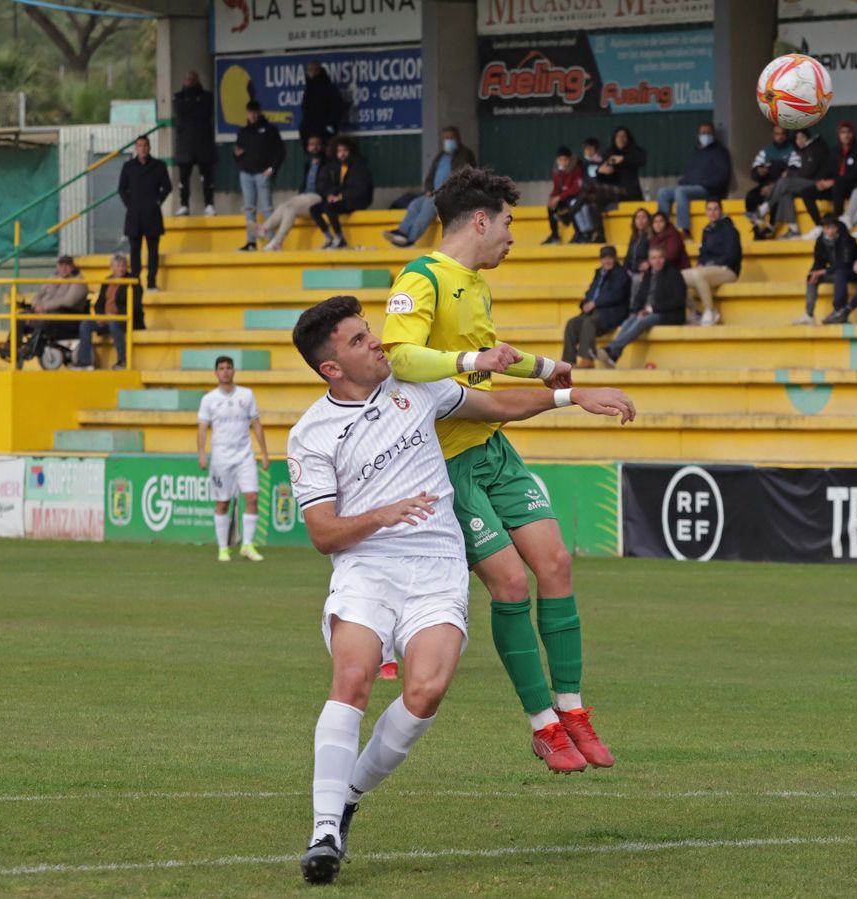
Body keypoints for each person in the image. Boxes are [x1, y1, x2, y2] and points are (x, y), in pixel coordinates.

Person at [286, 296, 635, 884]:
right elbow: (324, 534)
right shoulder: (311, 434)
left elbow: (495, 403)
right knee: (353, 678)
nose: (376, 341)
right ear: (331, 369)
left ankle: (346, 793)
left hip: (437, 568)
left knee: (425, 693)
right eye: (357, 340)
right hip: (366, 568)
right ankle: (324, 832)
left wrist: (570, 397)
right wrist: (382, 514)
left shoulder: (414, 385)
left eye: (368, 331)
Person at [381, 167, 618, 774]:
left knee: (557, 563)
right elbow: (401, 356)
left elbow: (488, 358)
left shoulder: (476, 285)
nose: (514, 236)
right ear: (480, 220)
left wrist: (543, 367)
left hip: (492, 447)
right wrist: (471, 358)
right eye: (509, 223)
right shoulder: (421, 277)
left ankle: (573, 711)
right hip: (446, 462)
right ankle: (542, 725)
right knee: (510, 584)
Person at [198, 355, 269, 563]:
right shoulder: (209, 399)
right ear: (216, 372)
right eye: (221, 368)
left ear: (233, 371)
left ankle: (247, 545)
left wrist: (264, 453)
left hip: (245, 456)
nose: (225, 371)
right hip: (221, 459)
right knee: (222, 503)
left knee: (252, 498)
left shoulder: (246, 395)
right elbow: (202, 428)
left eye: (228, 367)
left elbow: (256, 424)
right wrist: (202, 454)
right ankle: (223, 548)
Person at [385, 127, 476, 248]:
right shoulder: (441, 156)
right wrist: (428, 190)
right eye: (446, 138)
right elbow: (430, 176)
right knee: (415, 204)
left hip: (451, 195)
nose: (448, 141)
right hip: (434, 193)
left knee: (429, 205)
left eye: (451, 138)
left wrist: (443, 192)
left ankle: (410, 240)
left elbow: (461, 177)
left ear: (458, 138)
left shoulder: (464, 154)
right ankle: (402, 232)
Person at [600, 245, 686, 367]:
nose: (657, 261)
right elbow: (640, 296)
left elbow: (678, 301)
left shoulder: (674, 274)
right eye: (654, 258)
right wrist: (638, 310)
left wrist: (651, 309)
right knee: (629, 321)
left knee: (642, 321)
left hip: (670, 314)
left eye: (660, 257)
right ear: (649, 260)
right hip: (649, 311)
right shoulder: (648, 273)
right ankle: (614, 356)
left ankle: (610, 349)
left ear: (665, 258)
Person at [0, 255, 87, 365]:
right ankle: (10, 348)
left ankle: (30, 349)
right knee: (20, 317)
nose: (63, 268)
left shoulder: (79, 281)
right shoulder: (52, 279)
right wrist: (37, 306)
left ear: (72, 267)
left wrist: (44, 307)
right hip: (47, 312)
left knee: (46, 319)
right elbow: (38, 295)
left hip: (67, 317)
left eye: (67, 266)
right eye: (61, 265)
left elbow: (68, 301)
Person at [657, 123, 731, 238]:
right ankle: (663, 228)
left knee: (680, 192)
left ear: (713, 134)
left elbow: (723, 176)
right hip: (690, 187)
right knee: (663, 192)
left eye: (708, 133)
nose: (705, 135)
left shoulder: (720, 152)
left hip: (707, 189)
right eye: (702, 133)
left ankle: (684, 229)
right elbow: (689, 174)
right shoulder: (696, 152)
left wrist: (705, 184)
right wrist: (683, 181)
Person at [563, 245, 632, 367]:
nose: (607, 261)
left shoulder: (621, 274)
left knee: (589, 322)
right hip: (595, 312)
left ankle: (588, 359)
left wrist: (595, 303)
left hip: (611, 313)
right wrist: (584, 304)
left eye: (610, 258)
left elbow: (617, 295)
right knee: (572, 323)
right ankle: (568, 361)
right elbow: (590, 293)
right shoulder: (599, 273)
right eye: (604, 258)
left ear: (615, 259)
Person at [575, 127, 647, 244]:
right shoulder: (609, 153)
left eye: (624, 136)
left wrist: (623, 159)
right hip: (612, 193)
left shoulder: (634, 151)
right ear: (614, 138)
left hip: (629, 192)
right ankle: (600, 235)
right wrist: (600, 171)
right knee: (592, 200)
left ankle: (571, 213)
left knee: (590, 187)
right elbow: (602, 178)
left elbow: (642, 160)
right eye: (618, 136)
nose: (621, 139)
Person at [754, 127, 828, 240]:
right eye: (797, 138)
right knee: (785, 193)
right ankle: (794, 230)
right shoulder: (799, 151)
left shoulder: (813, 149)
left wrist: (790, 174)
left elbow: (807, 173)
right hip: (801, 184)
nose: (800, 140)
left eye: (802, 137)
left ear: (808, 138)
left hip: (816, 184)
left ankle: (764, 209)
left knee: (784, 182)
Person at [118, 135, 170, 291]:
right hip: (134, 216)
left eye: (145, 145)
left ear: (149, 147)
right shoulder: (128, 166)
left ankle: (151, 282)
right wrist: (130, 205)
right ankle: (135, 283)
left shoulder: (159, 165)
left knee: (153, 251)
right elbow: (121, 189)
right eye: (140, 145)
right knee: (135, 251)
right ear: (136, 148)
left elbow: (167, 187)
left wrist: (157, 201)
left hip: (152, 215)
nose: (142, 148)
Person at [262, 133, 328, 252]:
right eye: (311, 145)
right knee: (284, 205)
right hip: (305, 196)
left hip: (318, 196)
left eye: (317, 144)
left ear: (323, 146)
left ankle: (277, 240)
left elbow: (327, 184)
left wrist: (271, 169)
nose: (314, 147)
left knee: (286, 207)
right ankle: (264, 229)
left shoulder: (328, 163)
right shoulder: (308, 163)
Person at [682, 198, 741, 326]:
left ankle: (710, 310)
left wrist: (711, 264)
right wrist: (701, 264)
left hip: (728, 270)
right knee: (678, 276)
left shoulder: (730, 229)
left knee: (699, 274)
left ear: (721, 211)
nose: (712, 212)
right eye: (709, 209)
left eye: (715, 209)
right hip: (709, 269)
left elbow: (731, 255)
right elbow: (702, 253)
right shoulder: (706, 230)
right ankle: (695, 311)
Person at [235, 101, 285, 252]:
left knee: (266, 208)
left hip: (262, 173)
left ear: (260, 112)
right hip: (246, 174)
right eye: (250, 112)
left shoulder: (270, 130)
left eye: (255, 112)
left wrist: (272, 169)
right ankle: (251, 243)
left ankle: (272, 241)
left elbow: (280, 152)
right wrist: (239, 158)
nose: (253, 115)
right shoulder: (243, 132)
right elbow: (237, 152)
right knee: (249, 209)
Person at [309, 137, 374, 250]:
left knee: (330, 208)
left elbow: (360, 190)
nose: (342, 154)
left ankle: (340, 239)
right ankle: (329, 238)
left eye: (345, 150)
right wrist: (329, 195)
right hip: (341, 200)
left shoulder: (358, 166)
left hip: (356, 201)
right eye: (339, 151)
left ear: (350, 151)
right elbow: (323, 184)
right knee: (314, 209)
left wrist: (340, 197)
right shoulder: (333, 167)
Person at [74, 254, 133, 370]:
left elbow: (133, 306)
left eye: (123, 266)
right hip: (106, 318)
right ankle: (85, 361)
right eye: (118, 266)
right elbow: (99, 303)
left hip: (123, 318)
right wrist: (100, 316)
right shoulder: (107, 282)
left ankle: (122, 360)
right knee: (85, 324)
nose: (121, 268)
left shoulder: (132, 282)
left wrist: (114, 316)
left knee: (113, 323)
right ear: (112, 268)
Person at [796, 215, 857, 326]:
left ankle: (838, 310)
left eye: (832, 227)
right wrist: (814, 272)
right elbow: (818, 261)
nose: (830, 231)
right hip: (834, 272)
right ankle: (809, 314)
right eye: (827, 228)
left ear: (837, 228)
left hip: (853, 271)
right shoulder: (821, 241)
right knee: (811, 277)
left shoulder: (847, 239)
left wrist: (823, 272)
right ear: (823, 229)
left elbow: (845, 263)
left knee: (840, 273)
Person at [172, 71, 217, 216]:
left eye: (192, 79)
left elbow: (204, 112)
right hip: (185, 144)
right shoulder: (178, 97)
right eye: (187, 78)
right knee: (184, 177)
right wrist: (193, 104)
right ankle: (184, 205)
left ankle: (209, 204)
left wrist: (192, 105)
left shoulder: (207, 96)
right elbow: (182, 112)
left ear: (197, 80)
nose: (189, 81)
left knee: (207, 176)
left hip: (203, 142)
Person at [816, 121, 857, 233]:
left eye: (848, 132)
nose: (846, 135)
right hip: (837, 186)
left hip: (855, 186)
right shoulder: (835, 151)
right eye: (843, 132)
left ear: (853, 134)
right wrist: (821, 180)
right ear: (839, 134)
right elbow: (827, 169)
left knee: (837, 185)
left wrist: (833, 181)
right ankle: (819, 224)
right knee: (807, 191)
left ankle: (837, 220)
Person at [743, 125, 792, 217]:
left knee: (776, 197)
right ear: (773, 135)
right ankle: (756, 223)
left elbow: (795, 172)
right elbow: (754, 172)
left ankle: (770, 226)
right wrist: (759, 172)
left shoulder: (792, 150)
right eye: (777, 134)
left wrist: (773, 186)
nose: (780, 137)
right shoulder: (766, 151)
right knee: (751, 197)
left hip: (784, 187)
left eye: (782, 134)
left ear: (786, 135)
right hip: (766, 186)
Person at [299, 61, 346, 149]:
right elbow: (306, 113)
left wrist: (330, 127)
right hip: (311, 135)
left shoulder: (329, 89)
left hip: (325, 135)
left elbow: (337, 109)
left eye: (314, 70)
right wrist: (303, 130)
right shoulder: (308, 91)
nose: (311, 72)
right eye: (309, 70)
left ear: (319, 71)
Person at [544, 146, 584, 245]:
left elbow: (575, 189)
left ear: (570, 160)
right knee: (550, 207)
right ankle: (555, 235)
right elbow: (557, 188)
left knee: (573, 204)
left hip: (576, 197)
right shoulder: (556, 172)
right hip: (563, 198)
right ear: (557, 160)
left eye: (565, 159)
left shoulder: (577, 170)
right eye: (560, 159)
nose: (563, 162)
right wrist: (552, 198)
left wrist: (559, 197)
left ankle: (579, 233)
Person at [621, 207, 653, 277]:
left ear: (649, 220)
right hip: (630, 272)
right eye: (637, 217)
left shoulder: (651, 237)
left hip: (643, 273)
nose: (640, 220)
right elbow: (628, 257)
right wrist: (626, 269)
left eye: (643, 217)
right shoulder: (634, 237)